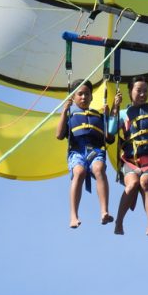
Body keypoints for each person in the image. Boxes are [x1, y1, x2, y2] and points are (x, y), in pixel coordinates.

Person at [109, 76, 148, 236]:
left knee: (145, 182)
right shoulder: (123, 112)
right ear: (130, 92)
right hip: (130, 160)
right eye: (139, 91)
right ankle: (119, 221)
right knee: (133, 184)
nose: (143, 94)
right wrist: (115, 107)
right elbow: (111, 131)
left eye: (145, 91)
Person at [56, 79, 114, 228]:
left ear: (91, 97)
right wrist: (64, 111)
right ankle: (73, 216)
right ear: (74, 97)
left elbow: (110, 138)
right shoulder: (70, 115)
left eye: (87, 94)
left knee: (99, 169)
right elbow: (59, 135)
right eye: (80, 94)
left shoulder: (99, 116)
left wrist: (110, 114)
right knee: (79, 171)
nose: (83, 97)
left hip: (95, 149)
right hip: (77, 150)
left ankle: (104, 211)